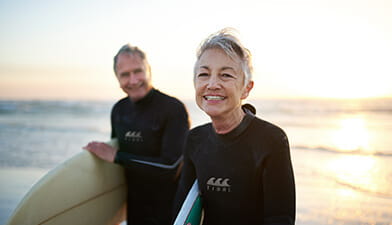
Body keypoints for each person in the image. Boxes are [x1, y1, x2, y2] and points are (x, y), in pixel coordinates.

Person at [173, 28, 296, 225]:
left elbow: (280, 219)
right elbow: (182, 209)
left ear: (246, 89)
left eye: (226, 75)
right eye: (204, 74)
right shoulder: (195, 139)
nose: (212, 84)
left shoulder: (272, 140)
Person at [83, 44, 190, 225]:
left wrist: (117, 156)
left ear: (148, 70)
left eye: (138, 71)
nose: (133, 80)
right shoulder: (119, 110)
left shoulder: (172, 109)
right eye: (125, 75)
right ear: (117, 78)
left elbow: (171, 167)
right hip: (135, 213)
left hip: (169, 212)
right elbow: (117, 172)